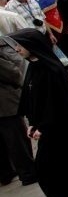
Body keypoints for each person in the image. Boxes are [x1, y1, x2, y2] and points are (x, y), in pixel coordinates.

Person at [5, 28, 68, 197]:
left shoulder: (53, 71)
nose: (17, 49)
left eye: (20, 45)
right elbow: (32, 98)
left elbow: (60, 105)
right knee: (49, 168)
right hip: (48, 129)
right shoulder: (34, 67)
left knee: (57, 168)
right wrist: (32, 123)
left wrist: (43, 126)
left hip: (61, 131)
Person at [0, 26, 36, 186]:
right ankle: (28, 173)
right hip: (5, 101)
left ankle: (6, 173)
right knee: (16, 139)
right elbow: (11, 72)